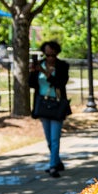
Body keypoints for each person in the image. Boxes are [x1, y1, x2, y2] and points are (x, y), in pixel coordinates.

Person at [32, 40, 70, 177]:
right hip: (43, 104)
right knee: (49, 139)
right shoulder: (39, 66)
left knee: (55, 138)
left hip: (57, 105)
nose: (50, 58)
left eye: (53, 55)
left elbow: (60, 83)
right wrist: (32, 71)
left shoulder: (62, 66)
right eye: (47, 55)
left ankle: (53, 166)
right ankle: (57, 161)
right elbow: (31, 84)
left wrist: (46, 73)